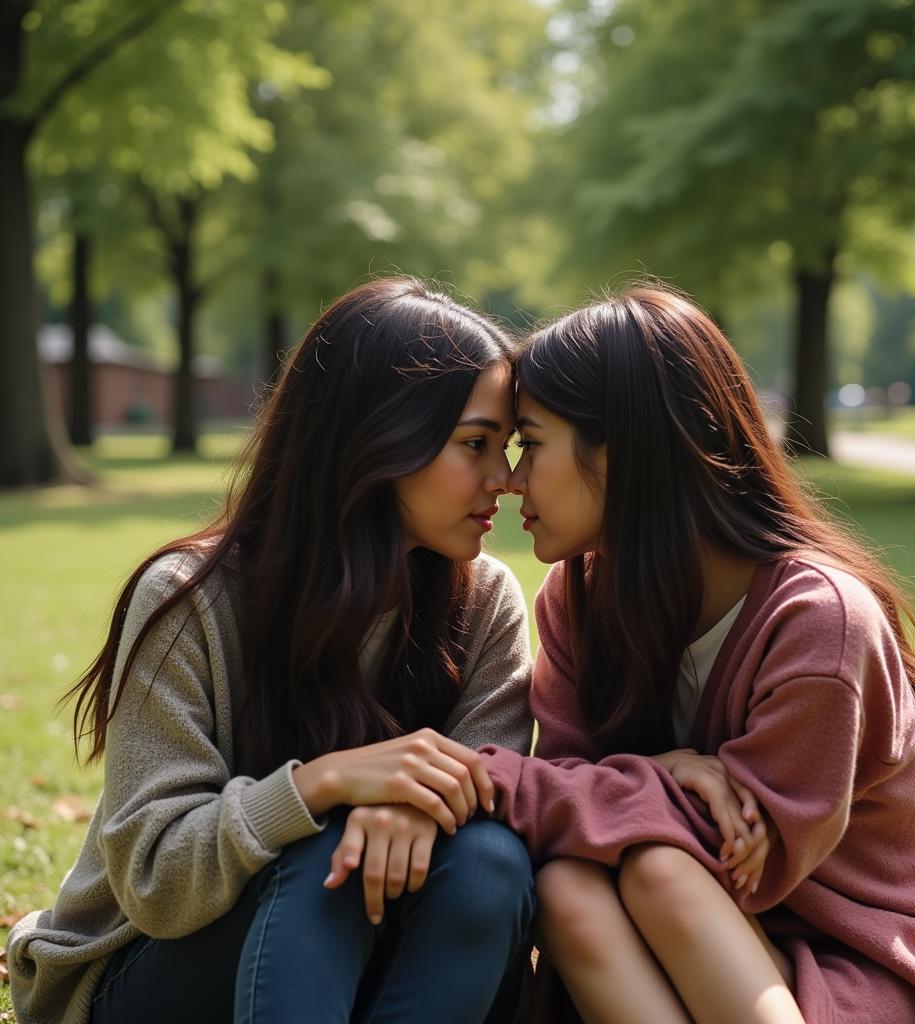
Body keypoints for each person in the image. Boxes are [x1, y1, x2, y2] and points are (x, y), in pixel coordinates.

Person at [479, 284, 915, 1023]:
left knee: (659, 869)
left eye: (532, 444)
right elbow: (569, 793)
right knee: (571, 883)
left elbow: (741, 857)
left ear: (627, 451)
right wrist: (662, 775)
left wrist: (487, 781)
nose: (510, 480)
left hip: (863, 966)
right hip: (678, 959)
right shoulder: (577, 600)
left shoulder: (819, 619)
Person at [7, 278, 536, 1024]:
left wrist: (415, 809)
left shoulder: (484, 601)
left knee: (488, 860)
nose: (505, 480)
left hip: (378, 966)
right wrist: (320, 787)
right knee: (327, 855)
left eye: (507, 447)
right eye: (475, 445)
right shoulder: (191, 598)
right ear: (374, 439)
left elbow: (493, 792)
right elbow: (154, 880)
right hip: (155, 975)